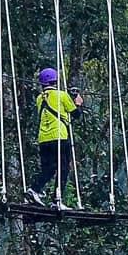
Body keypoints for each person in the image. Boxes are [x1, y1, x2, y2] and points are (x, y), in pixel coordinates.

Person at [28, 66, 81, 206]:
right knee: (63, 168)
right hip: (59, 136)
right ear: (55, 81)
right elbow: (76, 114)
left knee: (49, 168)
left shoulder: (40, 98)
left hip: (43, 139)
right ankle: (57, 199)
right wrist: (78, 102)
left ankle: (34, 189)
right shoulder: (62, 95)